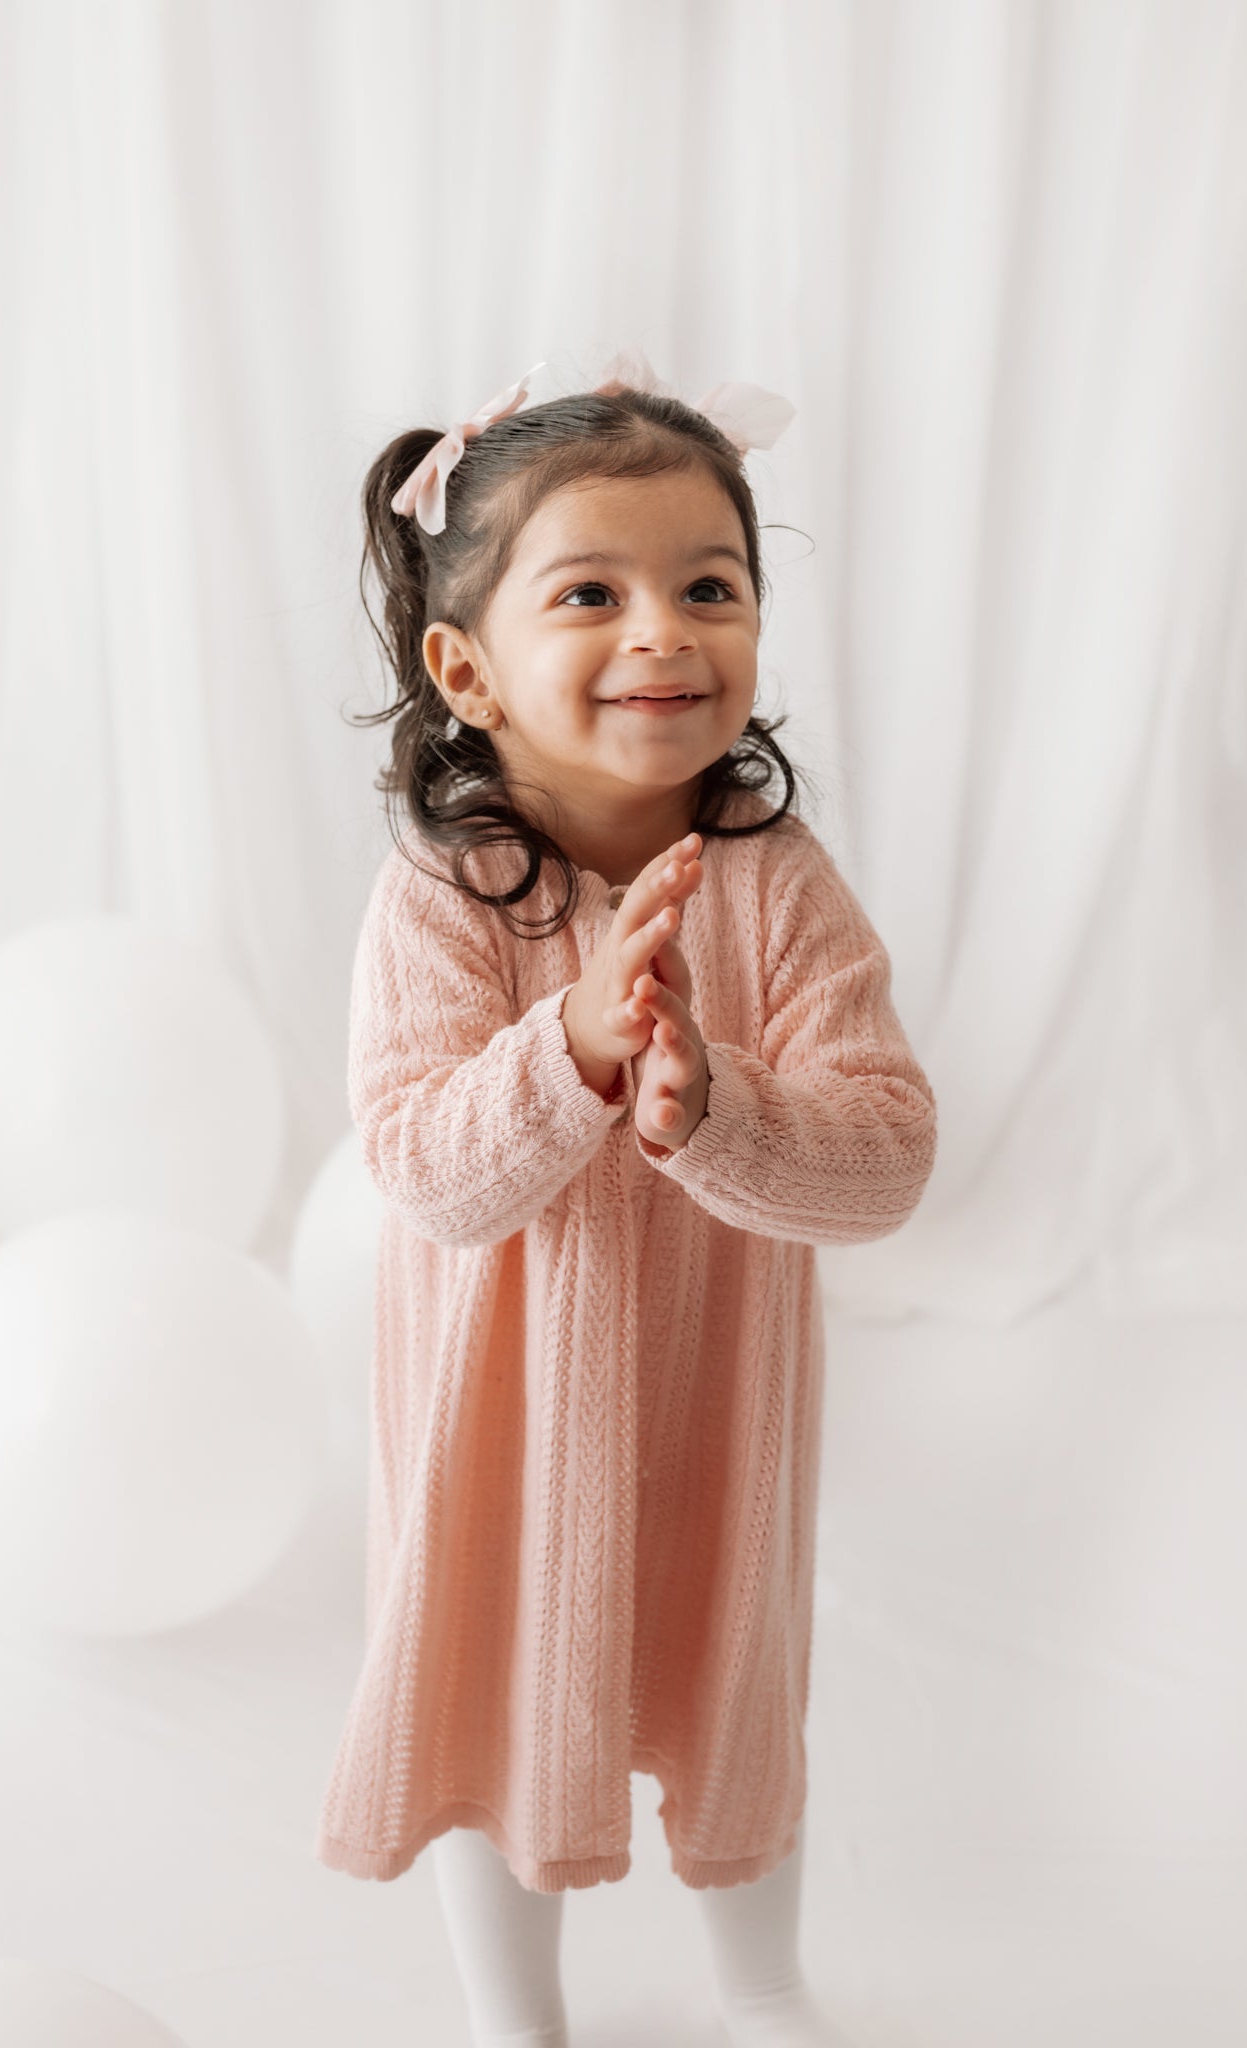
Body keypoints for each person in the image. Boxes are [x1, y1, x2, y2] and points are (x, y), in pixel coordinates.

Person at [315, 351, 939, 2047]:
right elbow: (423, 1171)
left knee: (732, 1693)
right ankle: (514, 2017)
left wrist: (715, 1104)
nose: (664, 628)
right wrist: (570, 1053)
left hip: (711, 1413)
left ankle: (767, 1987)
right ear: (468, 669)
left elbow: (882, 1156)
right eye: (591, 592)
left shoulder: (777, 887)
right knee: (498, 1693)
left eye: (708, 586)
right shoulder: (447, 896)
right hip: (498, 1424)